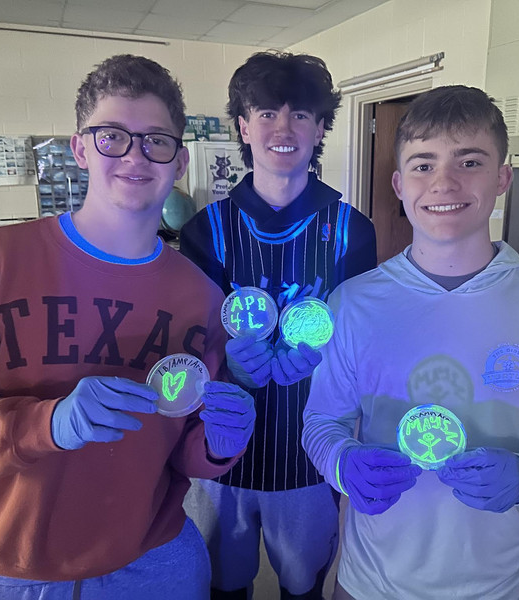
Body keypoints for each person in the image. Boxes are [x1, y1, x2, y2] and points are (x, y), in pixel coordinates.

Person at [0, 54, 257, 600]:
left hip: (158, 561)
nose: (136, 155)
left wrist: (220, 443)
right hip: (17, 568)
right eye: (112, 136)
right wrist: (48, 424)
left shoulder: (204, 298)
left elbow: (184, 447)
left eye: (156, 140)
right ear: (80, 149)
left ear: (180, 160)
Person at [302, 85, 519, 600]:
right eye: (423, 165)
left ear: (503, 178)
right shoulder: (353, 304)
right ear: (399, 184)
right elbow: (321, 423)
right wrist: (342, 463)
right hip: (369, 583)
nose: (444, 182)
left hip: (500, 587)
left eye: (469, 162)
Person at [179, 51, 377, 599]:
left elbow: (361, 344)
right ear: (244, 127)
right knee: (222, 589)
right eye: (266, 113)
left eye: (301, 115)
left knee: (303, 590)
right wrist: (228, 365)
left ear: (320, 129)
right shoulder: (206, 230)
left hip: (310, 457)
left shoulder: (352, 231)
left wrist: (323, 358)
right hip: (221, 456)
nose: (283, 129)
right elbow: (187, 347)